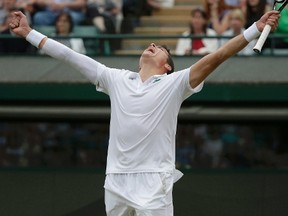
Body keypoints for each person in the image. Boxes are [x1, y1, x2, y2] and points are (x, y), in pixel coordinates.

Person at [8, 9, 279, 216]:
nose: (152, 44)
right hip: (116, 179)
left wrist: (255, 28)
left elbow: (217, 56)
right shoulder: (115, 78)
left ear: (167, 67)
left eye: (160, 48)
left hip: (154, 180)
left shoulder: (176, 83)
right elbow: (70, 56)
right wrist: (29, 33)